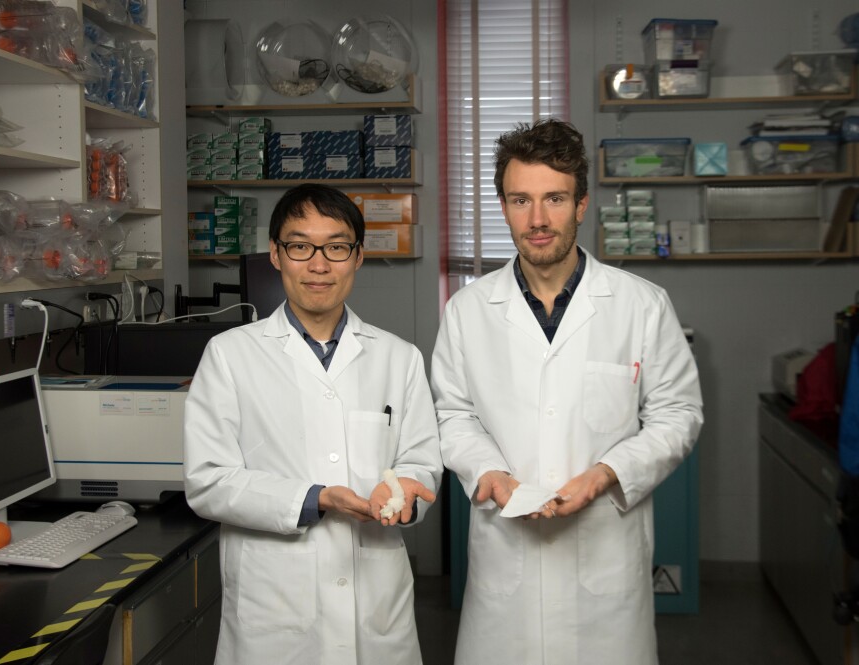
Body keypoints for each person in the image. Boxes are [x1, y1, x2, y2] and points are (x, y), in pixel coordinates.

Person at [430, 119, 703, 664]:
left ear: (581, 204)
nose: (537, 219)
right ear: (503, 207)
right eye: (520, 200)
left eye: (554, 198)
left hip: (603, 560)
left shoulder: (641, 305)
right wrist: (488, 471)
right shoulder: (467, 311)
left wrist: (606, 474)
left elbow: (678, 414)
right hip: (505, 560)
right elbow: (451, 414)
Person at [184, 183, 442, 665]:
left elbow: (423, 461)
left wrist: (406, 491)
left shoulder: (399, 358)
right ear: (276, 255)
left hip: (376, 601)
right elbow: (207, 481)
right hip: (275, 606)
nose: (319, 264)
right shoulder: (229, 356)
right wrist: (314, 499)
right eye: (300, 246)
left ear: (358, 256)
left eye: (337, 247)